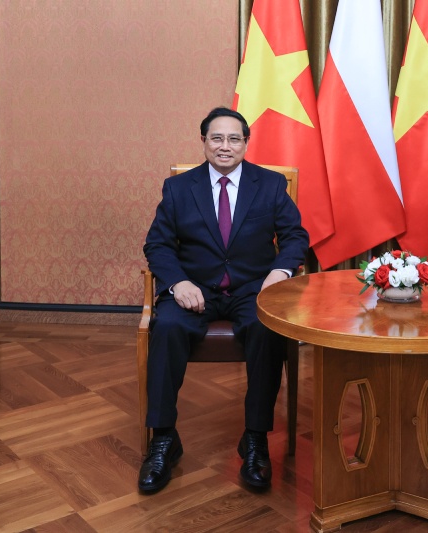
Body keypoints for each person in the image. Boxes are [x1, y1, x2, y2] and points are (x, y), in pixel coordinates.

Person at [140, 107, 309, 493]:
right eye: (217, 138)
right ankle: (163, 438)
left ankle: (255, 439)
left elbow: (295, 237)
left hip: (253, 290)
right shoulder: (179, 189)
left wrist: (279, 273)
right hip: (195, 289)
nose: (225, 146)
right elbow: (158, 244)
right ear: (204, 142)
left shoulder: (269, 185)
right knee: (165, 327)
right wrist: (178, 282)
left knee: (267, 331)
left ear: (246, 143)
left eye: (234, 138)